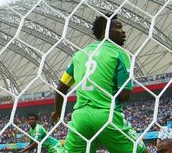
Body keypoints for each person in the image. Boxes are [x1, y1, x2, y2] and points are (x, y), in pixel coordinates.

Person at [52, 14, 144, 153]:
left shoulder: (79, 55)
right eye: (118, 27)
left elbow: (61, 88)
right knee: (141, 150)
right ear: (105, 30)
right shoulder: (120, 53)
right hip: (107, 116)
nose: (123, 31)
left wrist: (57, 111)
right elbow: (125, 94)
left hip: (80, 118)